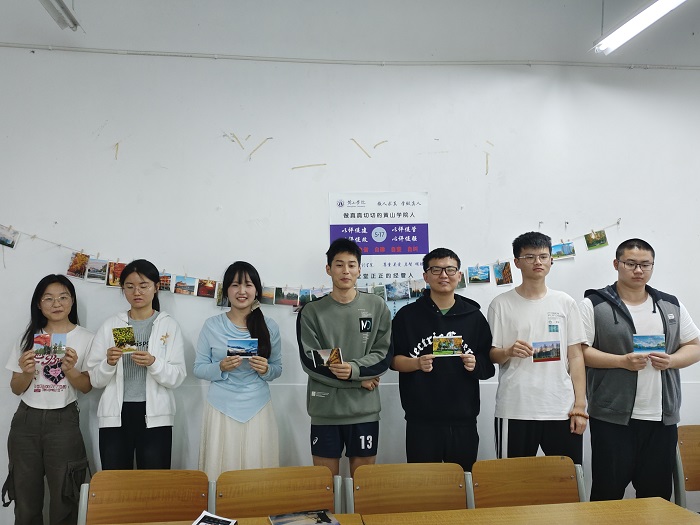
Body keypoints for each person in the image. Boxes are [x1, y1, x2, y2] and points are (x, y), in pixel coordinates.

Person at [581, 238, 700, 501]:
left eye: (645, 265)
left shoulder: (670, 304)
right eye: (631, 264)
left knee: (656, 498)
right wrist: (621, 361)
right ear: (616, 264)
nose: (638, 270)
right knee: (607, 494)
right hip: (612, 418)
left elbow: (694, 346)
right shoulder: (594, 304)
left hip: (662, 418)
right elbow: (581, 353)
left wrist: (671, 361)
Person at [391, 248, 495, 471]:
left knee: (463, 482)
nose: (444, 275)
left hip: (464, 419)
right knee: (423, 484)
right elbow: (393, 360)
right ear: (426, 276)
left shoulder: (474, 316)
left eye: (450, 269)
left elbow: (488, 365)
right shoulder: (407, 316)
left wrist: (475, 364)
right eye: (436, 270)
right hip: (421, 420)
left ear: (459, 275)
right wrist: (416, 363)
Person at [488, 232, 587, 463]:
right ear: (517, 262)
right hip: (515, 408)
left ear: (551, 260)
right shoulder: (500, 304)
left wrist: (580, 406)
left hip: (561, 408)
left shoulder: (565, 302)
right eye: (530, 257)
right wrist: (508, 351)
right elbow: (492, 355)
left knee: (567, 477)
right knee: (512, 479)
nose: (537, 262)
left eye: (543, 256)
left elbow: (576, 357)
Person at [297, 238, 393, 476]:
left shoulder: (377, 306)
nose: (345, 271)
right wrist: (358, 380)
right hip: (325, 411)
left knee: (363, 485)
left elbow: (383, 354)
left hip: (365, 411)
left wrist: (354, 369)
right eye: (339, 265)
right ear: (328, 269)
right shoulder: (311, 311)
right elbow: (311, 359)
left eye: (351, 265)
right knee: (325, 485)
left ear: (359, 269)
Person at [2, 275, 93, 525]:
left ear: (72, 301)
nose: (56, 303)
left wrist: (70, 370)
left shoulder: (87, 338)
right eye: (48, 298)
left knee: (65, 495)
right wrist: (27, 371)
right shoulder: (28, 337)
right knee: (25, 497)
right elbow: (16, 388)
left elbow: (87, 387)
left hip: (64, 419)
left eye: (63, 297)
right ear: (39, 304)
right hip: (26, 420)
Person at [86, 259, 186, 470]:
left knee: (153, 481)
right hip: (116, 415)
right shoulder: (112, 325)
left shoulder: (168, 325)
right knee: (115, 480)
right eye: (130, 287)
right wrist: (108, 363)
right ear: (123, 289)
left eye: (143, 286)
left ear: (156, 287)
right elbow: (95, 379)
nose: (136, 292)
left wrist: (153, 363)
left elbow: (177, 376)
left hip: (156, 415)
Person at [194, 261, 282, 479]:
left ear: (256, 290)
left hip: (258, 406)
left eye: (248, 285)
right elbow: (199, 368)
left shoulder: (269, 326)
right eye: (235, 285)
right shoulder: (212, 325)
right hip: (221, 408)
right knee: (221, 471)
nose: (242, 291)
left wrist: (265, 370)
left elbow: (277, 368)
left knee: (257, 473)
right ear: (226, 291)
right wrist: (220, 367)